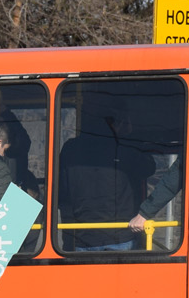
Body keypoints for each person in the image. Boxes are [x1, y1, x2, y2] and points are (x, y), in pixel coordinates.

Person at [57, 101, 153, 251]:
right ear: (118, 123)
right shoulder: (124, 147)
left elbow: (61, 190)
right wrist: (131, 136)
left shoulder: (71, 148)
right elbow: (149, 167)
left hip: (82, 236)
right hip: (120, 234)